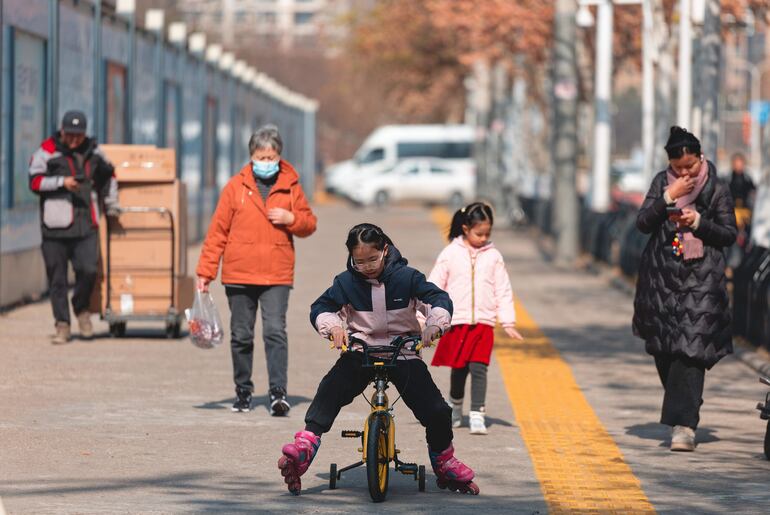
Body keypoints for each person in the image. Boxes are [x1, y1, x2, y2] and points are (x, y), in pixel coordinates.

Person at [277, 223, 479, 496]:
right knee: (330, 389)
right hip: (362, 350)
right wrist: (334, 327)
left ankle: (444, 460)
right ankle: (305, 446)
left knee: (437, 409)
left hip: (403, 351)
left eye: (372, 259)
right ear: (351, 258)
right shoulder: (345, 282)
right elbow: (321, 308)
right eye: (359, 262)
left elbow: (437, 298)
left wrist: (435, 324)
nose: (367, 266)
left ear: (385, 250)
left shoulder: (407, 277)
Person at [196, 125, 317, 415]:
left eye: (271, 156)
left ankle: (278, 393)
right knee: (241, 335)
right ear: (251, 157)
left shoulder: (291, 186)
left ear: (279, 156)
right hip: (239, 275)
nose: (266, 162)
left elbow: (309, 224)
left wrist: (291, 218)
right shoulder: (234, 188)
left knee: (275, 331)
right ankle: (243, 391)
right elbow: (217, 233)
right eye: (261, 157)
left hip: (276, 273)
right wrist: (205, 274)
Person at [633, 126, 737, 452]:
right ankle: (687, 405)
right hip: (661, 280)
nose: (685, 173)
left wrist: (697, 223)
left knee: (690, 350)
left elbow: (728, 233)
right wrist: (668, 196)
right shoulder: (660, 185)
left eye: (689, 166)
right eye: (678, 168)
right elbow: (643, 223)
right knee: (665, 352)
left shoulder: (717, 189)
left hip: (702, 280)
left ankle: (684, 427)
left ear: (700, 158)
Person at [427, 202, 523, 435]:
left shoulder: (494, 256)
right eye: (479, 233)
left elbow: (503, 289)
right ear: (465, 228)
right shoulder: (450, 253)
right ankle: (455, 407)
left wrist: (507, 321)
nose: (483, 238)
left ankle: (478, 413)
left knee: (479, 368)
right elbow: (435, 285)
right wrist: (426, 318)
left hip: (483, 323)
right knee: (459, 368)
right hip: (457, 321)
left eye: (487, 234)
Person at [29, 110, 119, 344]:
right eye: (70, 135)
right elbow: (34, 181)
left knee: (89, 270)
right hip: (54, 227)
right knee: (57, 279)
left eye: (78, 136)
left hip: (86, 225)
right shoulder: (47, 151)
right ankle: (62, 325)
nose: (74, 140)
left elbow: (110, 176)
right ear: (62, 131)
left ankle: (81, 309)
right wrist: (62, 183)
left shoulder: (95, 151)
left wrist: (111, 205)